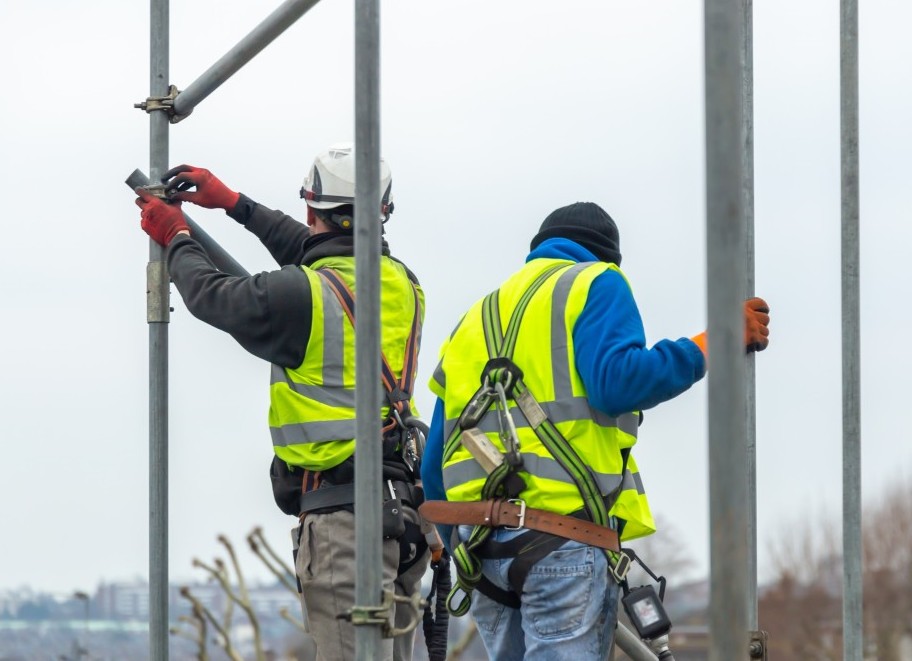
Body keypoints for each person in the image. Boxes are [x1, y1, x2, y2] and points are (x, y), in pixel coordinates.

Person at [418, 202, 771, 660]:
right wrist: (718, 339)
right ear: (607, 257)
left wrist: (466, 549)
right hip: (560, 541)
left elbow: (433, 467)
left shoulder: (473, 319)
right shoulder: (596, 282)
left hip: (480, 554)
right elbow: (618, 382)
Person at [134, 143, 431, 661]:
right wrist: (234, 204)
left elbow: (213, 296)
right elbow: (317, 251)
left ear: (311, 208)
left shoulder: (304, 296)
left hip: (345, 526)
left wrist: (176, 237)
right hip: (402, 516)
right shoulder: (402, 284)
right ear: (382, 214)